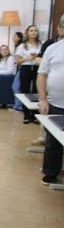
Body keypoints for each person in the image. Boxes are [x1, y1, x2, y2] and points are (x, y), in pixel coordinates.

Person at [37, 14, 64, 186]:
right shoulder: (53, 49)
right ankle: (51, 172)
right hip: (55, 102)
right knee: (52, 141)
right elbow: (42, 75)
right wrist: (42, 99)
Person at [16, 25, 43, 124]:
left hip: (37, 68)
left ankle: (35, 114)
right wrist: (27, 58)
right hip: (26, 68)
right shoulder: (22, 46)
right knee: (25, 90)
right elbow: (18, 61)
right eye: (31, 31)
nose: (34, 32)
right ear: (28, 32)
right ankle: (26, 115)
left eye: (35, 30)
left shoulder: (41, 44)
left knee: (37, 90)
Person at [11, 31, 25, 111]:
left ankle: (18, 106)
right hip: (18, 68)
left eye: (15, 36)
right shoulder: (17, 46)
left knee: (16, 87)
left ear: (19, 38)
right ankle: (17, 105)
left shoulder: (21, 46)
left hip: (22, 68)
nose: (13, 38)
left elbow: (18, 59)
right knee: (16, 87)